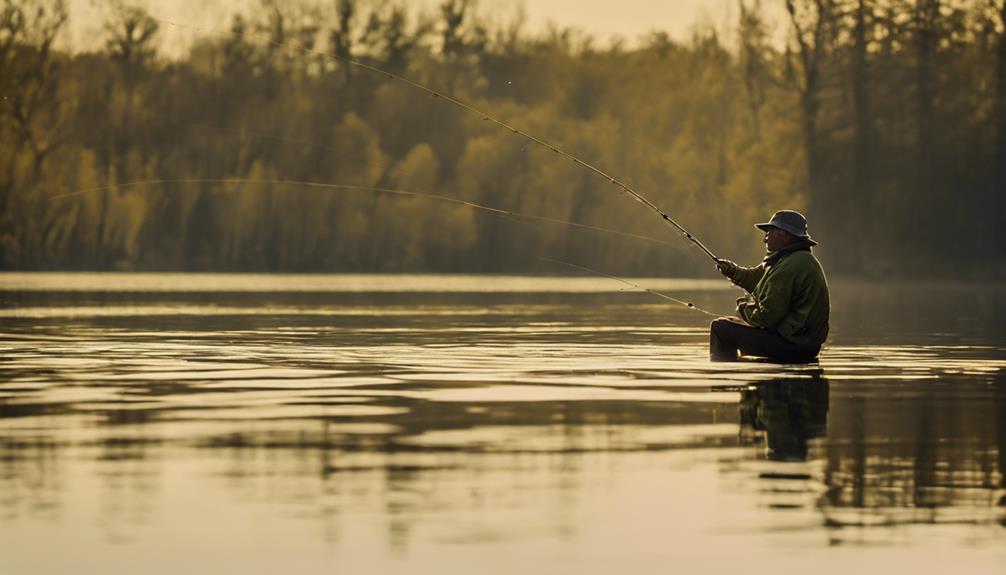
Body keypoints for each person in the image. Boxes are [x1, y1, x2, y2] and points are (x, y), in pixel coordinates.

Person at [709, 210, 830, 362]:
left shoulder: (789, 266)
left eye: (769, 232)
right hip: (804, 345)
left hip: (792, 346)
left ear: (784, 235)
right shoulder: (790, 259)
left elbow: (766, 317)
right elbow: (756, 278)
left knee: (721, 328)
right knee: (729, 323)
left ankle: (723, 377)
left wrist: (742, 308)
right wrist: (732, 271)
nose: (765, 239)